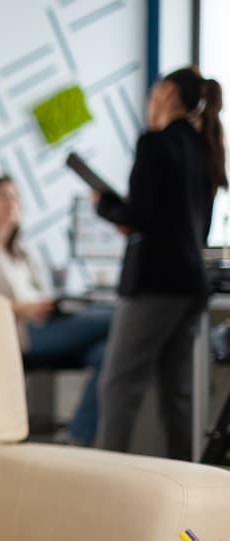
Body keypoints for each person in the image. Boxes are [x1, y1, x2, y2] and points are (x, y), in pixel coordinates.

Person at [91, 67, 227, 460]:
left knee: (119, 384)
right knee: (177, 393)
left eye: (153, 92)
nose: (149, 100)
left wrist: (106, 207)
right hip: (191, 285)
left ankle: (102, 477)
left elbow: (141, 215)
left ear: (168, 93)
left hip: (155, 283)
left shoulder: (155, 143)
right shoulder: (205, 148)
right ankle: (183, 481)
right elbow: (187, 224)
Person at [0, 176, 111, 446]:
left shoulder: (21, 253)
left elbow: (39, 292)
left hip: (45, 324)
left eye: (15, 197)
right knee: (117, 317)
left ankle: (76, 438)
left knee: (109, 353)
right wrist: (22, 309)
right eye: (2, 196)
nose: (11, 202)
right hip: (18, 333)